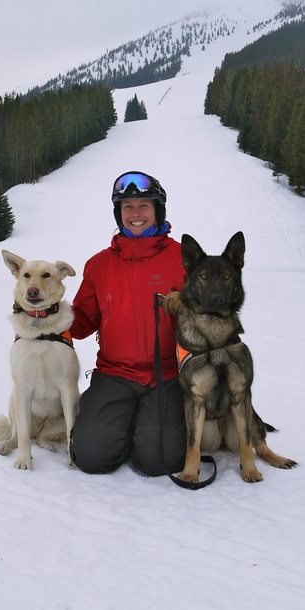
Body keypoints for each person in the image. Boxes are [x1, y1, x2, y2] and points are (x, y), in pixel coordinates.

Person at [69, 171, 185, 476]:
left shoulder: (184, 257)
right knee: (91, 458)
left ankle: (143, 425)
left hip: (167, 376)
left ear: (158, 210)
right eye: (127, 207)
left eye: (144, 206)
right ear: (118, 214)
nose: (136, 214)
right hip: (114, 375)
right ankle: (118, 421)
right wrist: (44, 315)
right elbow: (80, 324)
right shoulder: (99, 264)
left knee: (160, 462)